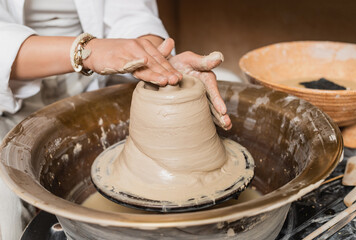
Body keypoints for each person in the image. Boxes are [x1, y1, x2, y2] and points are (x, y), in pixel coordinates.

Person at [0, 0, 232, 239]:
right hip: (13, 96)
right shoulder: (87, 52)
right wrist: (86, 52)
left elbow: (131, 12)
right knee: (2, 203)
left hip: (97, 78)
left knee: (224, 80)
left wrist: (160, 63)